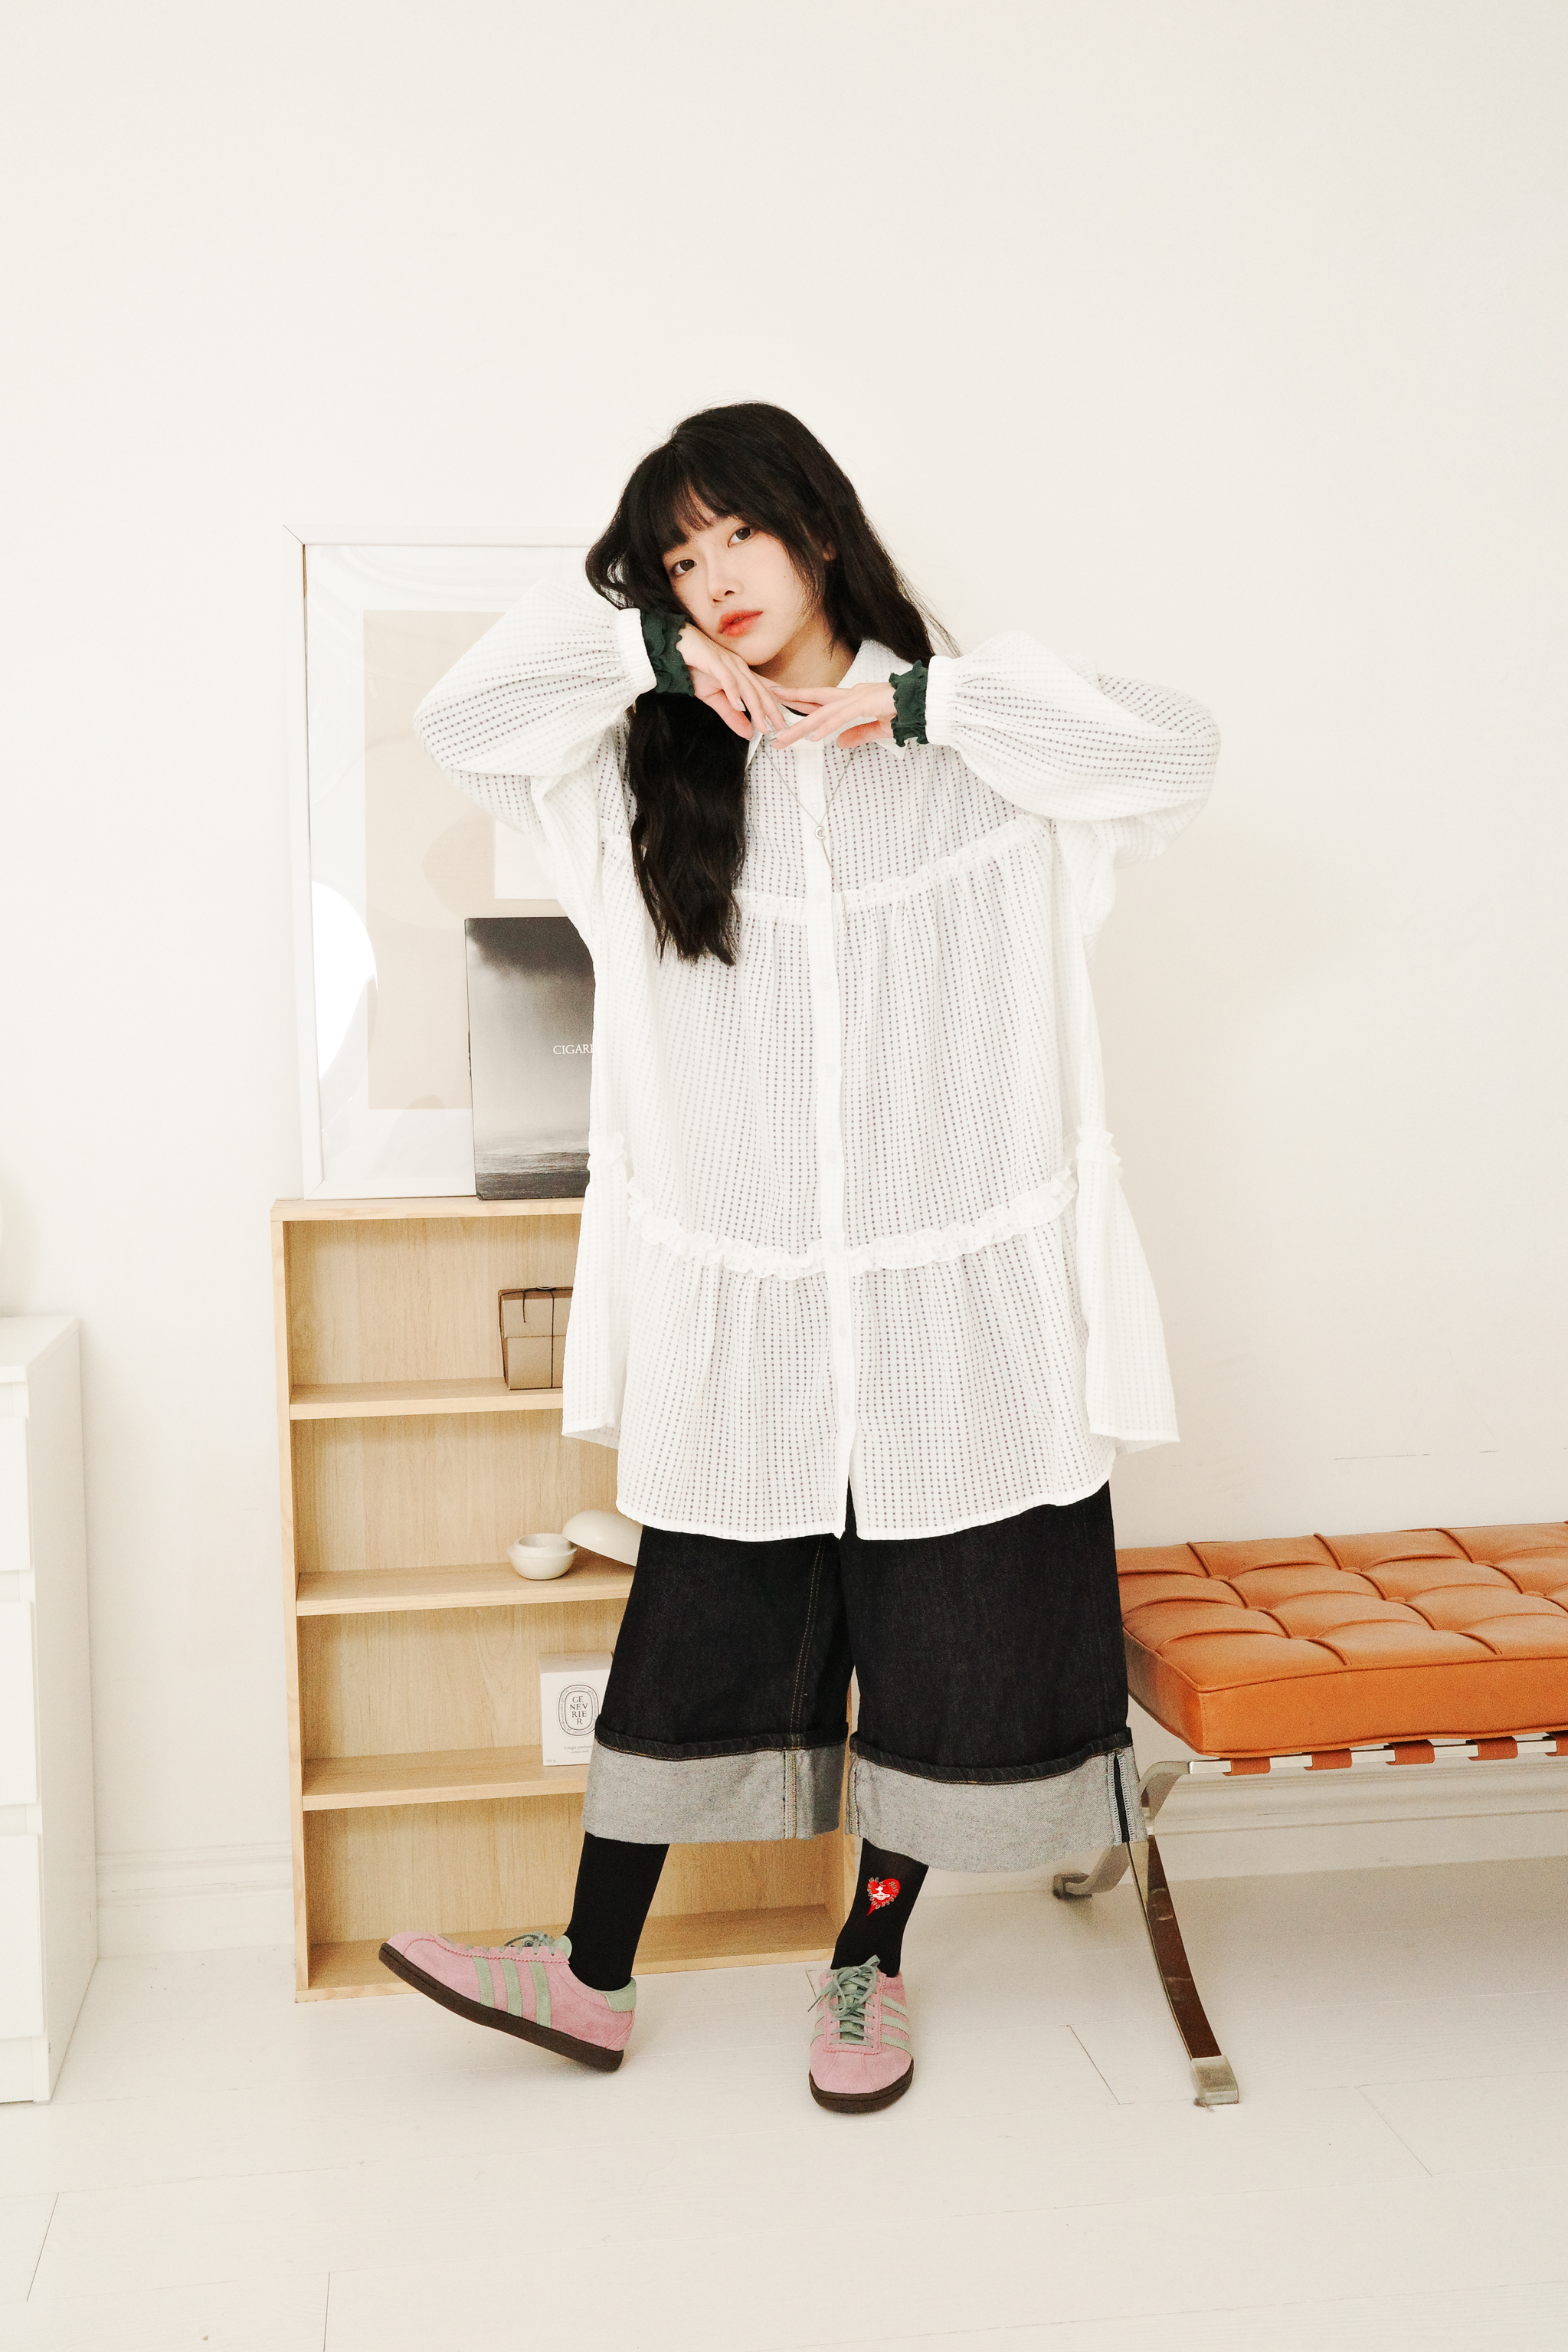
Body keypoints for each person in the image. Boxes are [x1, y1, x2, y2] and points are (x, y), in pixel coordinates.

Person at [379, 403, 1219, 2112]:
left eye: (736, 534)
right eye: (677, 559)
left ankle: (867, 1966)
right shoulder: (645, 776)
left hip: (958, 1308)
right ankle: (590, 1972)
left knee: (948, 1632)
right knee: (696, 1620)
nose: (714, 576)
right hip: (747, 1307)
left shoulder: (983, 753)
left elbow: (1175, 749)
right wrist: (649, 658)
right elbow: (458, 720)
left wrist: (923, 706)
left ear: (817, 528)